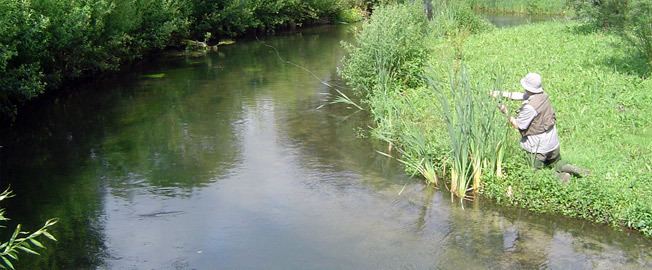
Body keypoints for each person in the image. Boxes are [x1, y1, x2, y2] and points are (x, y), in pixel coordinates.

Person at [491, 72, 589, 182]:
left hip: (538, 147)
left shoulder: (530, 108)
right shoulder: (543, 95)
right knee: (556, 162)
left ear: (526, 87)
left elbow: (517, 125)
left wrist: (505, 111)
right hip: (553, 144)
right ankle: (574, 169)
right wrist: (500, 93)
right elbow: (521, 95)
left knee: (533, 173)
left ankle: (561, 178)